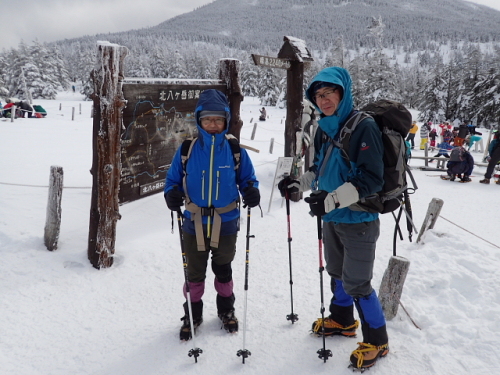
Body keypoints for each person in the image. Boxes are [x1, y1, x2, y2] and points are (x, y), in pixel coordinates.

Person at [278, 67, 389, 371]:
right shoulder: (325, 127)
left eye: (329, 93)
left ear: (343, 92)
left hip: (359, 220)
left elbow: (371, 179)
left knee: (358, 282)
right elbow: (319, 168)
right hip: (332, 217)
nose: (323, 100)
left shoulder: (363, 126)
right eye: (318, 95)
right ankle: (342, 320)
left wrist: (330, 200)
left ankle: (378, 340)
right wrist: (298, 184)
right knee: (337, 271)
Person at [163, 89, 260, 341]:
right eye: (207, 119)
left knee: (223, 269)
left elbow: (248, 178)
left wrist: (251, 191)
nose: (213, 124)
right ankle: (192, 314)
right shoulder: (187, 149)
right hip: (193, 222)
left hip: (226, 221)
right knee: (193, 274)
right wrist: (171, 194)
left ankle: (226, 310)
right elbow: (173, 180)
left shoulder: (235, 149)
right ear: (199, 120)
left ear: (226, 120)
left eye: (218, 119)